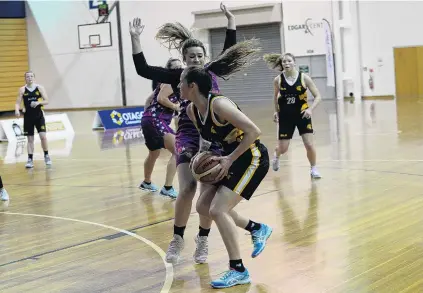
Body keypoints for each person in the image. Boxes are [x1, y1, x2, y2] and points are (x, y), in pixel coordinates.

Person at [181, 39, 273, 288]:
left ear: (191, 86)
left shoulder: (219, 104)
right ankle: (256, 228)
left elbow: (254, 131)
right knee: (203, 206)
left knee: (217, 210)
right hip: (227, 157)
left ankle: (238, 270)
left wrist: (229, 159)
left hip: (251, 157)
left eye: (181, 82)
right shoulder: (191, 110)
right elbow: (207, 137)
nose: (177, 85)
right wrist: (201, 159)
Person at [263, 53, 322, 178]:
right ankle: (276, 156)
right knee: (283, 148)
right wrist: (276, 111)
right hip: (285, 116)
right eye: (284, 62)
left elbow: (318, 96)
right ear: (282, 64)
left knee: (309, 144)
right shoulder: (278, 80)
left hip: (303, 115)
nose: (286, 63)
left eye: (289, 61)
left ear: (294, 62)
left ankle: (313, 169)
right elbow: (275, 97)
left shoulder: (304, 78)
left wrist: (310, 109)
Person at [139, 58, 182, 199]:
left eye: (180, 66)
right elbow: (161, 99)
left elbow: (148, 100)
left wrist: (145, 119)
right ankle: (168, 188)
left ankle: (147, 182)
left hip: (149, 119)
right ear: (169, 70)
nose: (178, 69)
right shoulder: (170, 82)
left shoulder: (163, 83)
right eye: (175, 68)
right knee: (178, 151)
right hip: (155, 120)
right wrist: (176, 107)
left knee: (154, 153)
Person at [15, 71, 52, 169]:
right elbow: (17, 102)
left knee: (43, 136)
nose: (29, 78)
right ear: (25, 78)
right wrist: (17, 110)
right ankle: (30, 159)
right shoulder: (22, 90)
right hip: (28, 117)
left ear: (34, 78)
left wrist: (38, 103)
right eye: (27, 76)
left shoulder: (39, 88)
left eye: (31, 76)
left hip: (39, 116)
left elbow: (47, 100)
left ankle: (46, 155)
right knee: (30, 139)